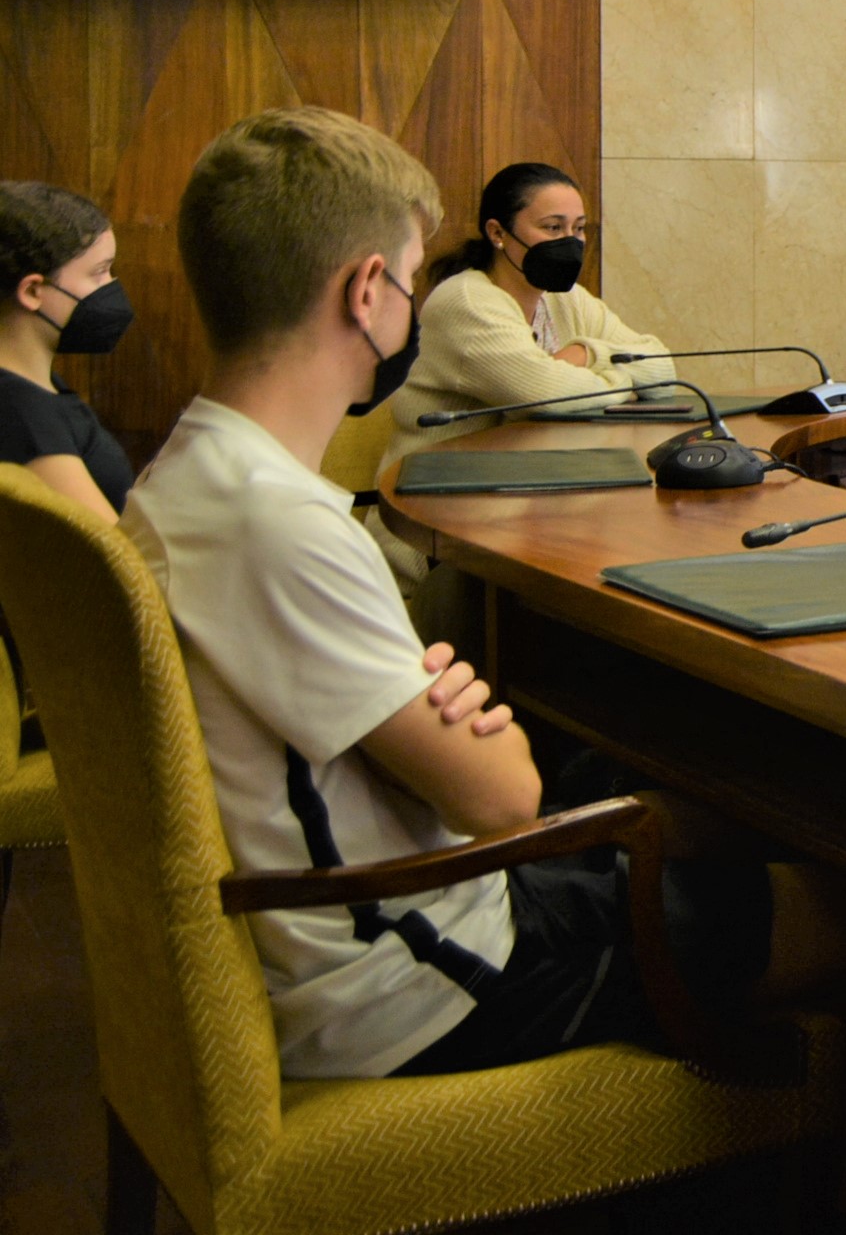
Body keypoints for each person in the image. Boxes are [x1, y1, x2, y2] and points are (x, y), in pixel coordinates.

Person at [120, 110, 801, 1078]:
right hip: (417, 977)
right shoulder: (281, 522)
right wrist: (469, 721)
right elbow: (501, 797)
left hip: (374, 916)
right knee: (838, 914)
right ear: (366, 292)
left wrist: (450, 715)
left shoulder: (189, 473)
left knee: (684, 807)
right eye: (405, 278)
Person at [391, 163, 678, 467]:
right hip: (440, 493)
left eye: (578, 228)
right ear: (498, 233)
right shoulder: (467, 302)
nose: (571, 241)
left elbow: (663, 371)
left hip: (529, 482)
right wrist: (626, 382)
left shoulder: (566, 299)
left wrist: (585, 354)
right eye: (553, 228)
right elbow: (546, 399)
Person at [0, 182, 136, 523]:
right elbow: (116, 558)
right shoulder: (22, 418)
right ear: (33, 291)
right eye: (99, 272)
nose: (112, 287)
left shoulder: (37, 388)